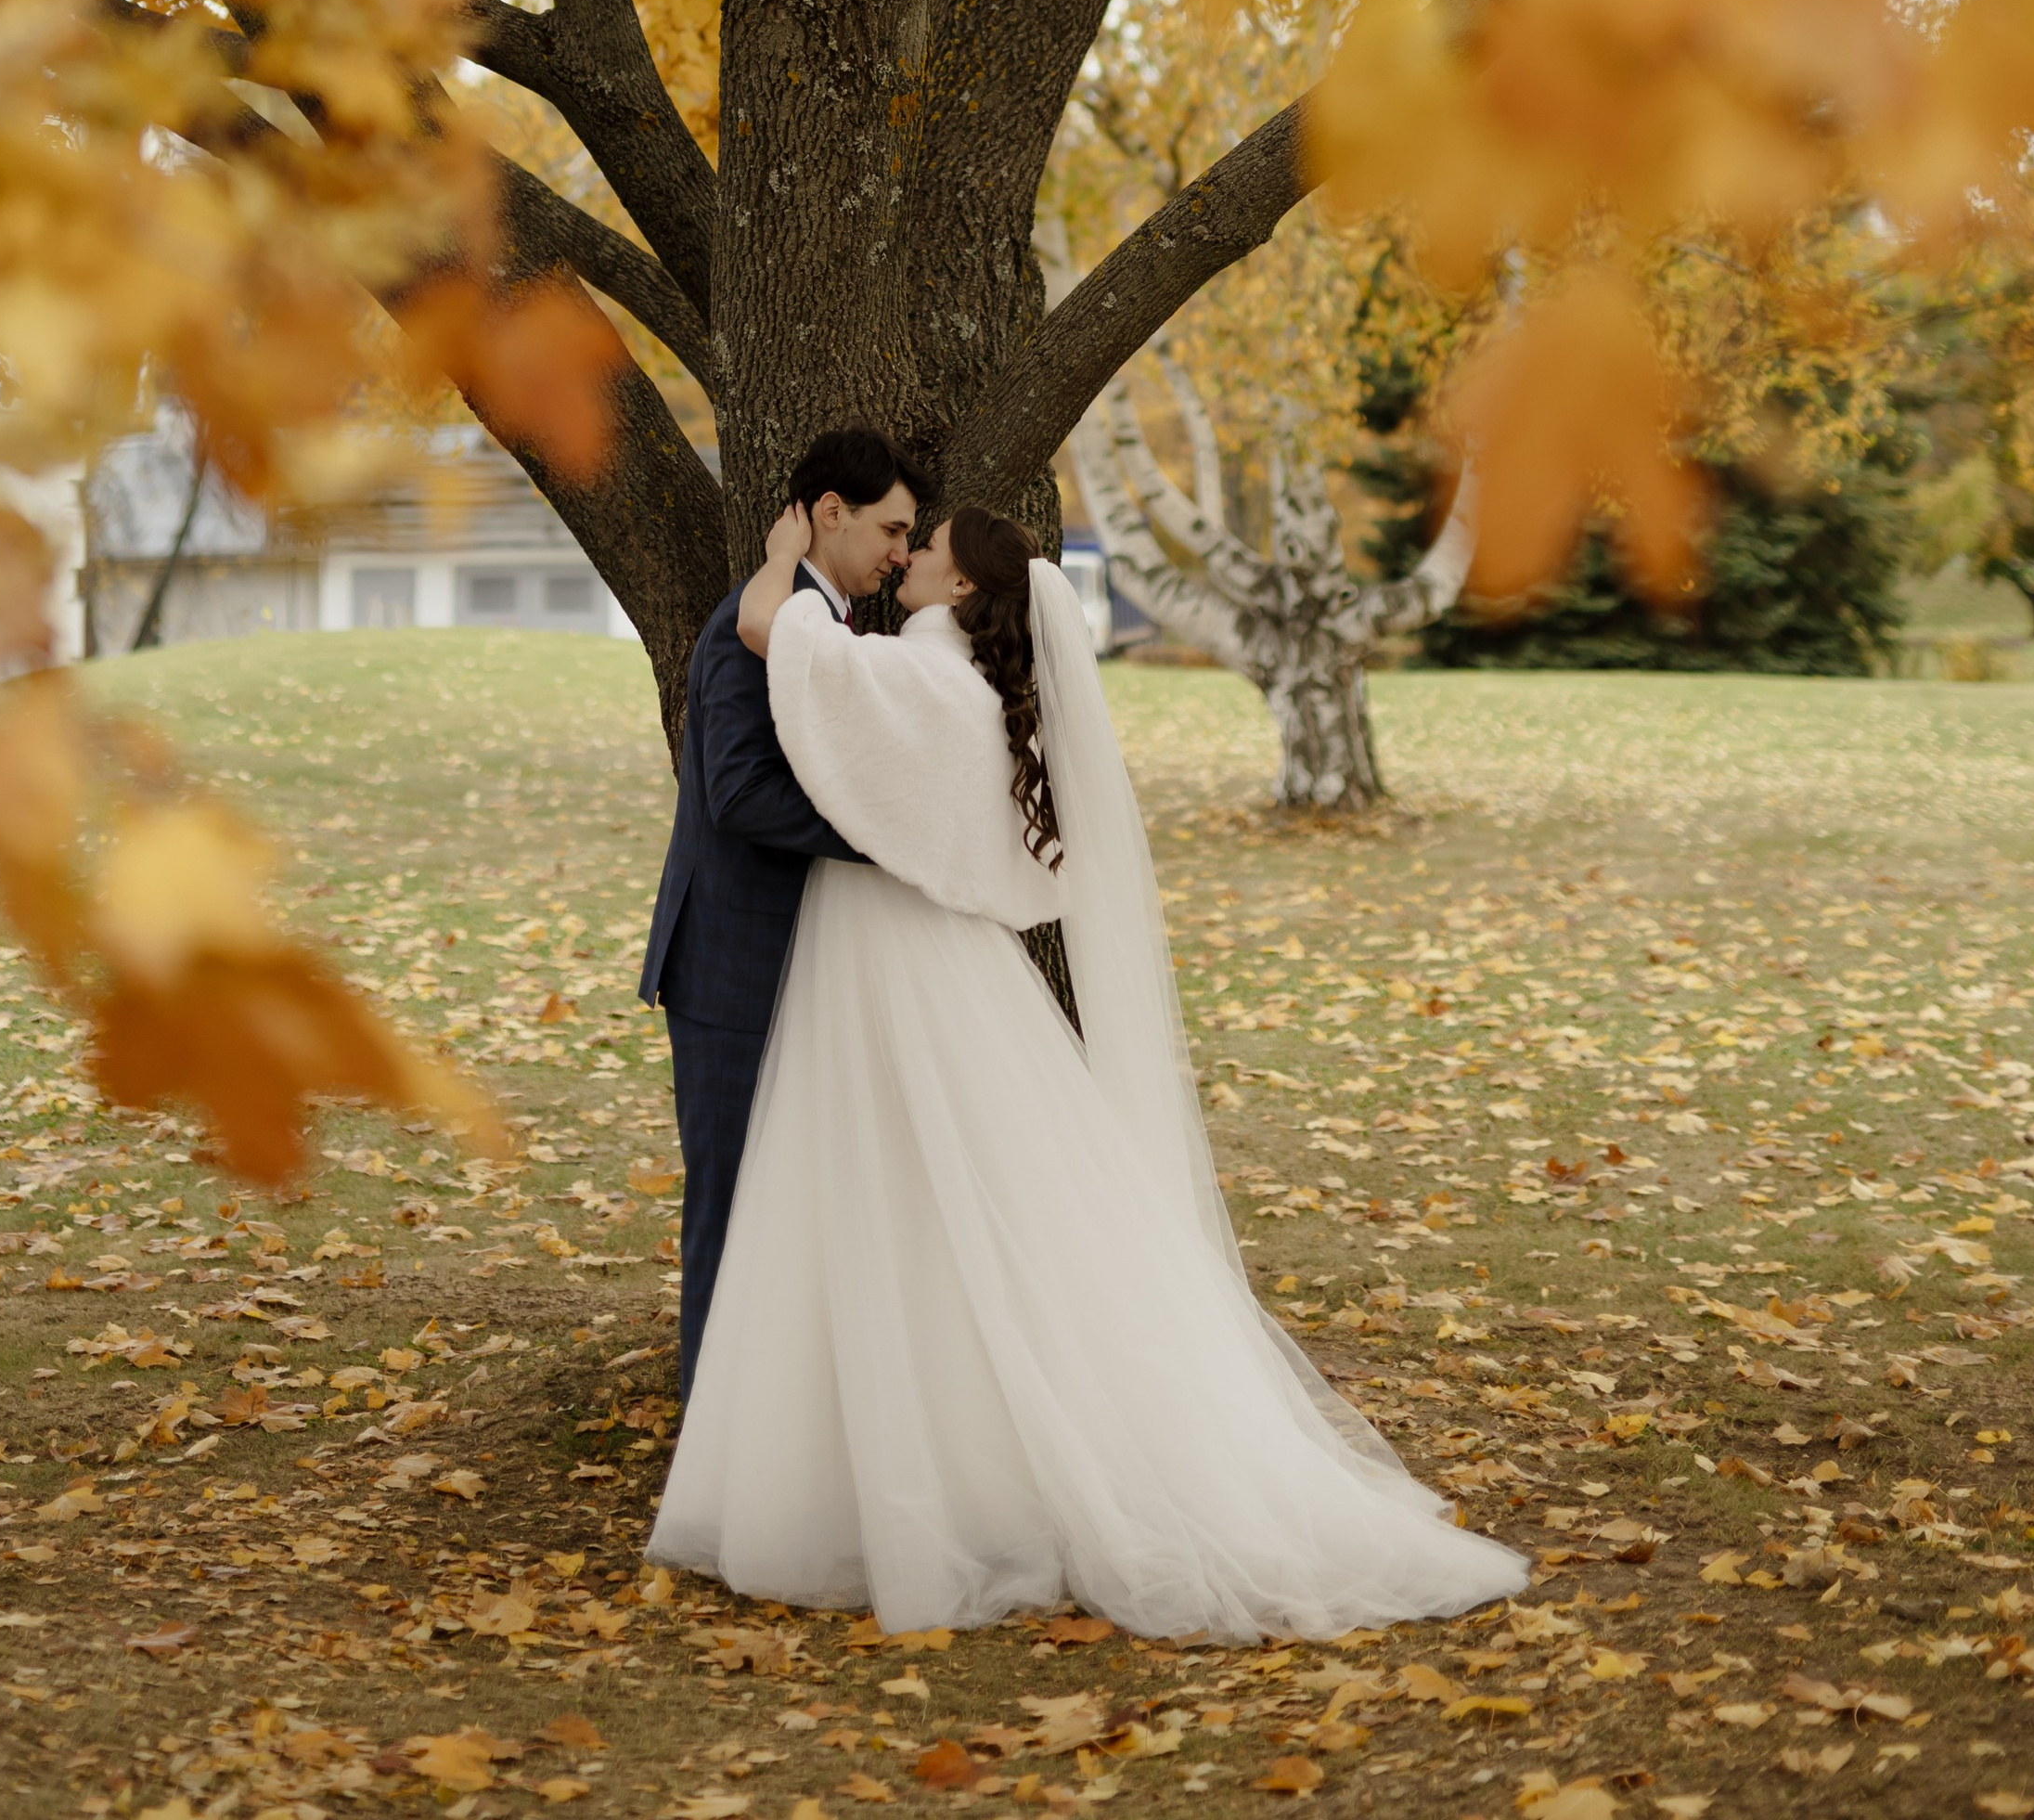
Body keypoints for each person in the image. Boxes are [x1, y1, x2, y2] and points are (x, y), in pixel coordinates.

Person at [649, 503, 1530, 1641]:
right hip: (936, 960)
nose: (907, 557)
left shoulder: (919, 678)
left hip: (890, 960)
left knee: (878, 1183)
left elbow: (780, 636)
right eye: (901, 537)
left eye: (928, 549)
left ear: (963, 594)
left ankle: (895, 1473)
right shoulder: (967, 691)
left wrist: (777, 562)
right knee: (955, 1196)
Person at [637, 424, 924, 1398]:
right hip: (732, 962)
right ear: (830, 515)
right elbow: (738, 793)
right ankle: (710, 1444)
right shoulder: (747, 624)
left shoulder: (815, 617)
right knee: (732, 1204)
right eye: (891, 529)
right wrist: (895, 838)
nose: (899, 554)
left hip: (795, 961)